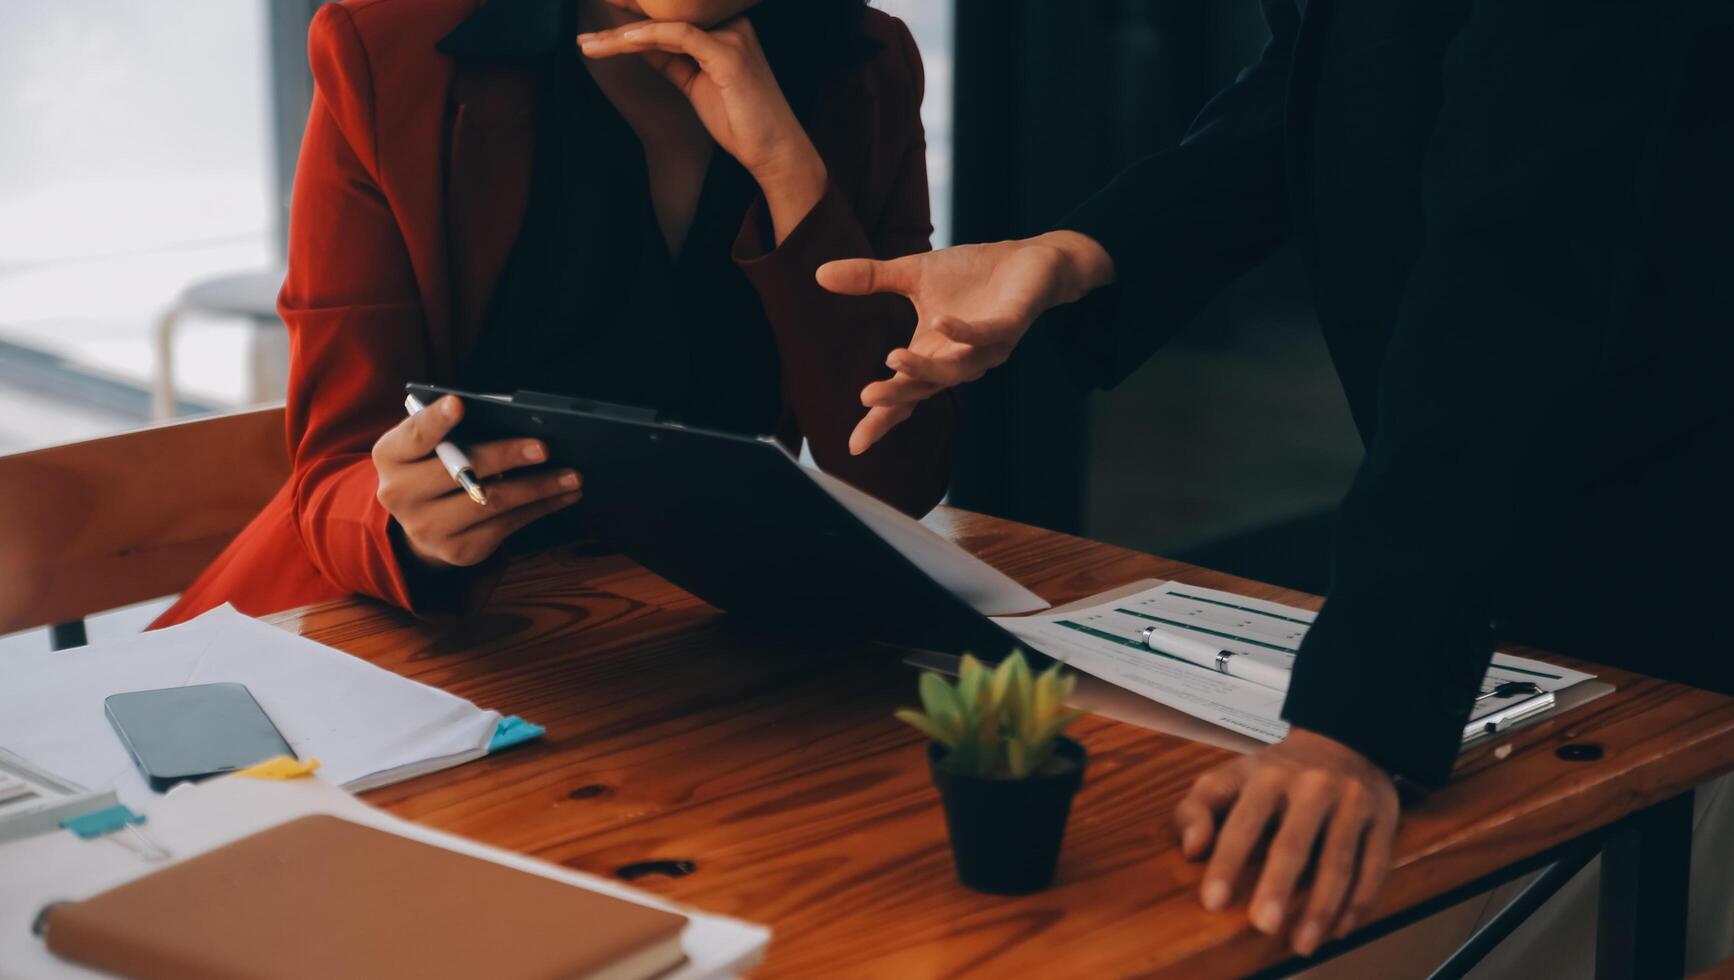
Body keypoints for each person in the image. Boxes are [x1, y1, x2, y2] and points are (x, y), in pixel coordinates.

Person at [818, 0, 1733, 959]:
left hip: (1658, 538)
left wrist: (1357, 722)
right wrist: (1077, 253)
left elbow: (1517, 280)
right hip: (1495, 548)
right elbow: (1317, 72)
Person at [155, 0, 953, 627]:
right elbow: (332, 474)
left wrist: (787, 165)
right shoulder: (395, 50)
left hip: (681, 648)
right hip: (367, 644)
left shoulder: (867, 69)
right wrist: (407, 525)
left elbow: (890, 476)